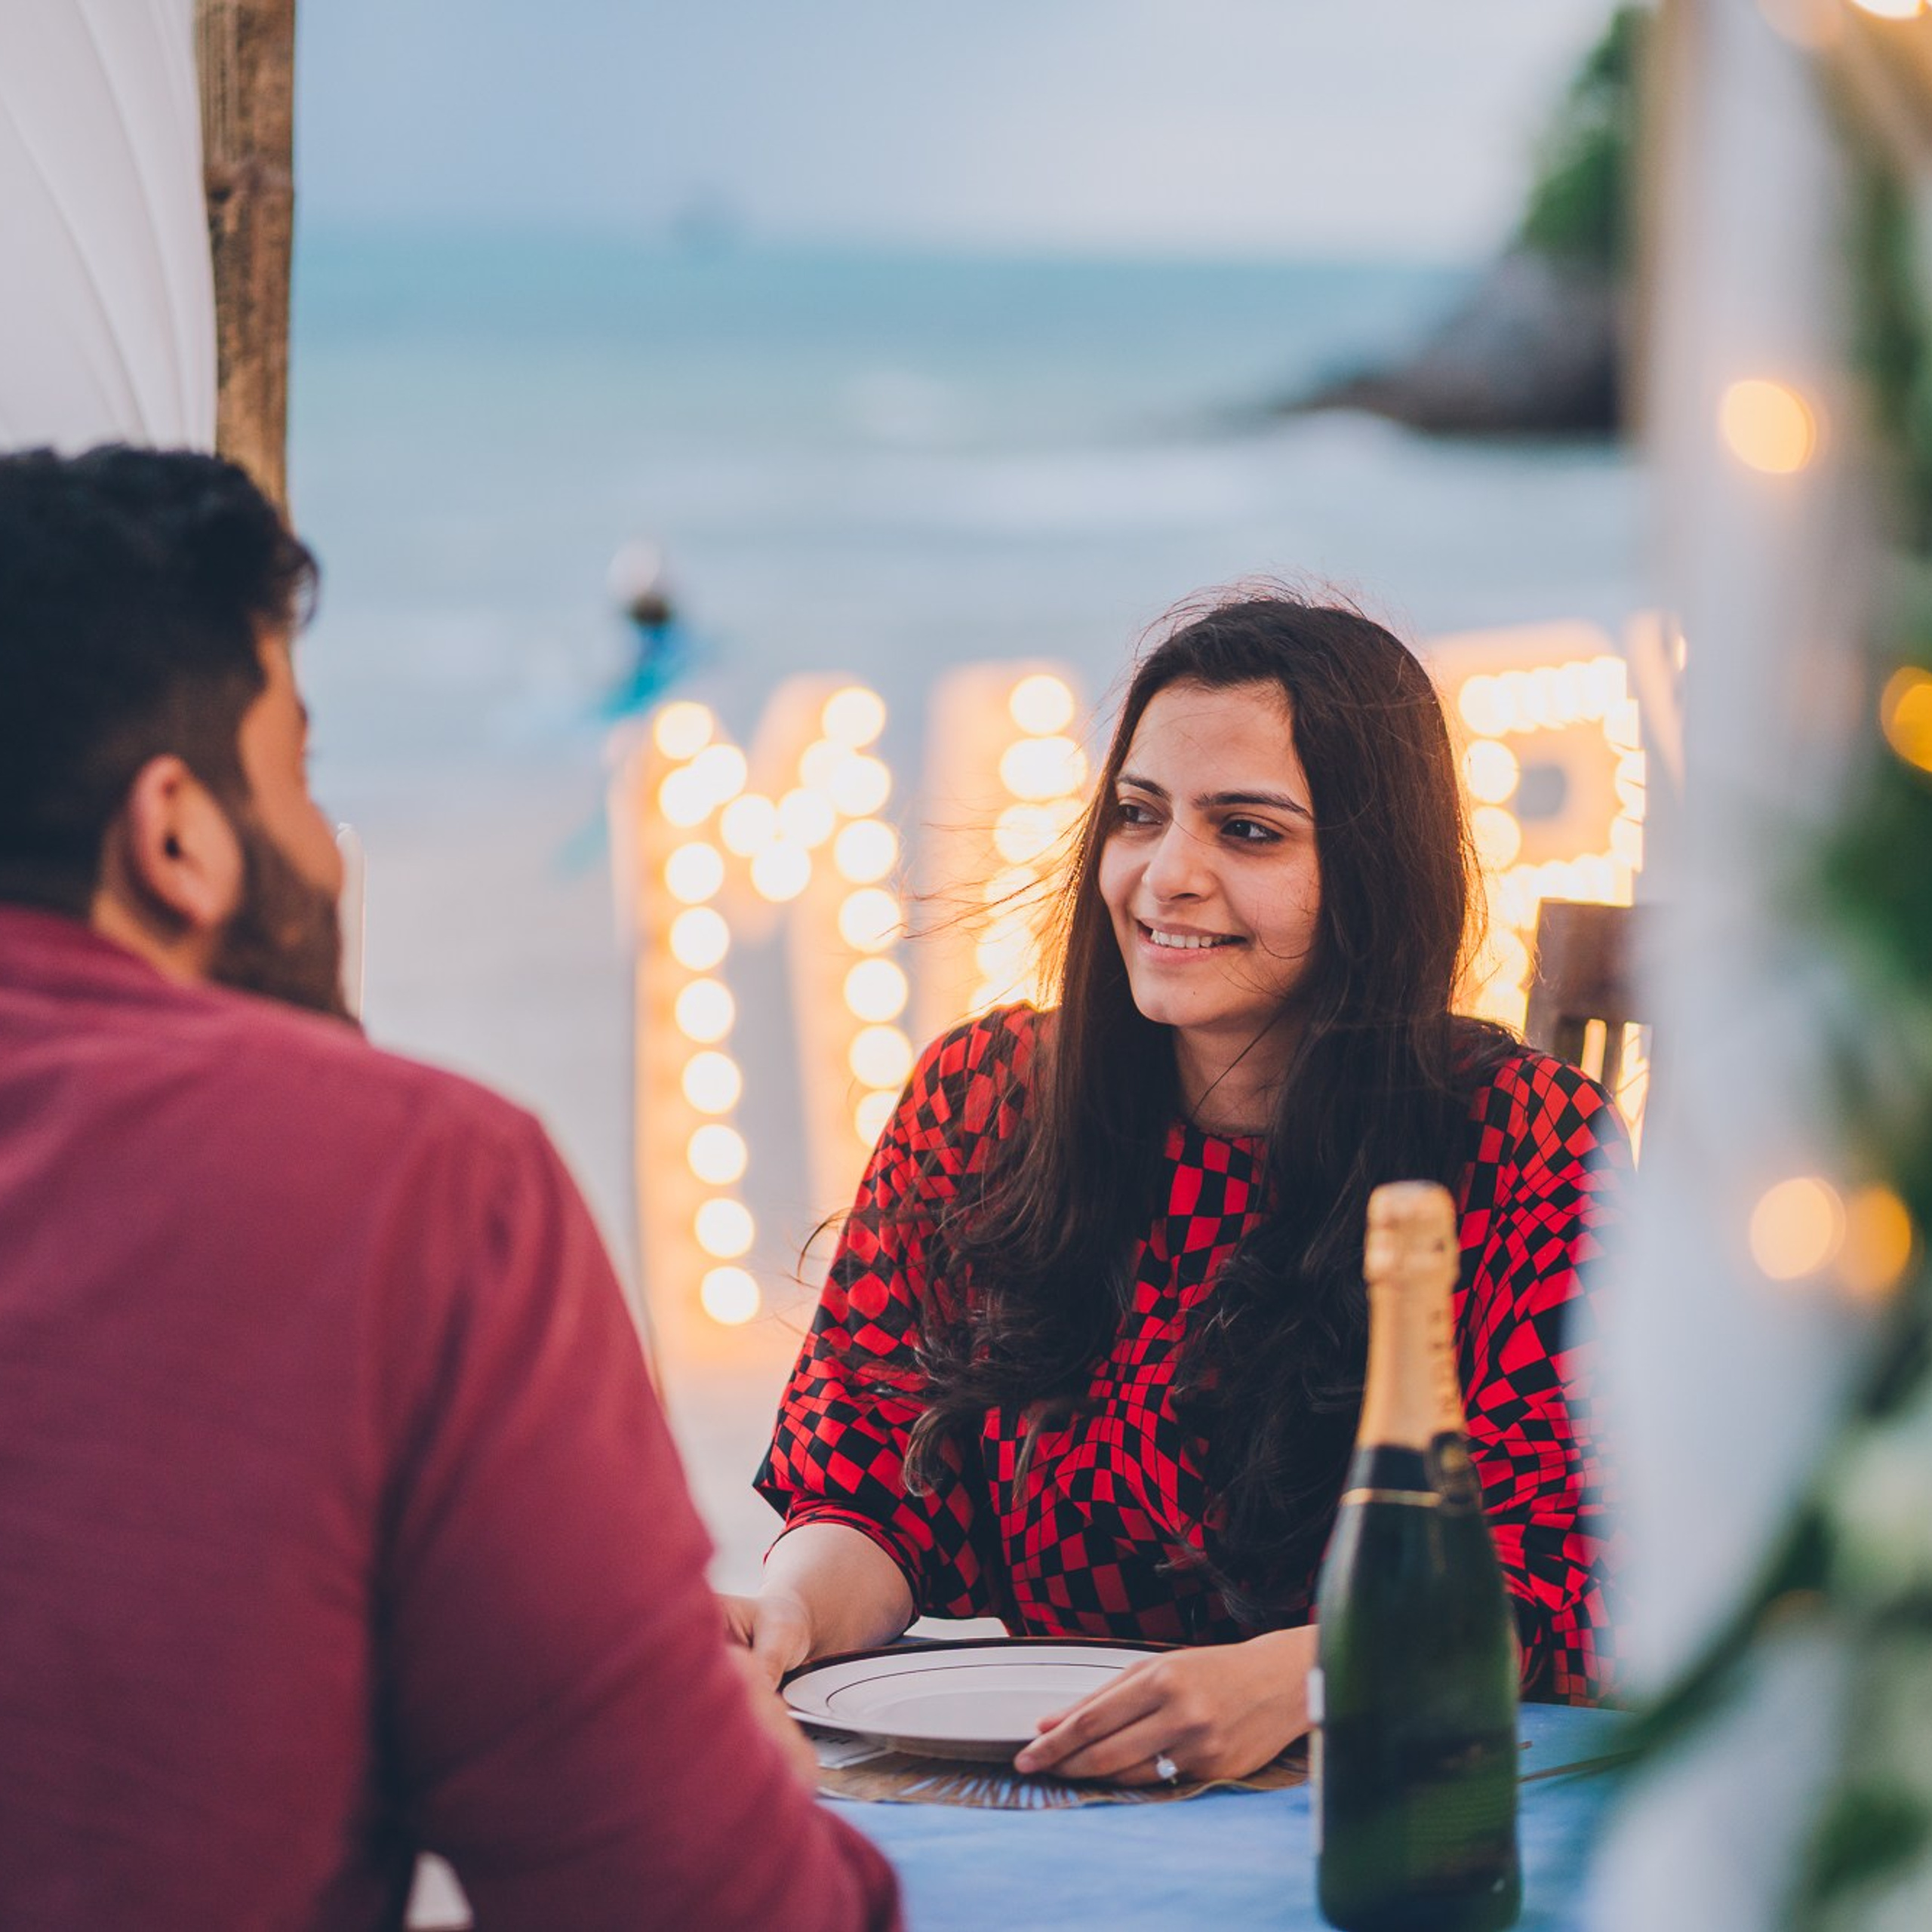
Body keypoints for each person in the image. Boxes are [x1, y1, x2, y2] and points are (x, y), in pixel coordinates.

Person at [0, 446, 898, 1931]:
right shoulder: (406, 1189)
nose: (325, 841)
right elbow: (700, 1901)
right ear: (176, 832)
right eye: (295, 768)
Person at [737, 594, 1629, 1786]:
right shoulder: (982, 1100)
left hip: (1380, 1806)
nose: (1166, 877)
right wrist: (784, 1617)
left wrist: (1298, 1677)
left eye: (1249, 833)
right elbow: (875, 1492)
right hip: (1039, 1788)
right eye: (1140, 816)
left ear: (1370, 874)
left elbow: (1553, 1586)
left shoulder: (1521, 1145)